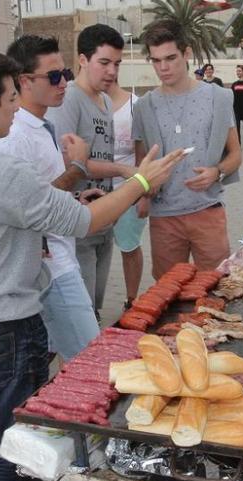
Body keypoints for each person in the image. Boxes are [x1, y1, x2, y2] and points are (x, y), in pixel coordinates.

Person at [0, 45, 184, 481]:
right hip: (3, 327)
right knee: (16, 444)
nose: (16, 108)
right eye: (9, 99)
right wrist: (140, 182)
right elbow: (88, 223)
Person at [0, 35, 99, 360]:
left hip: (57, 258)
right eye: (54, 76)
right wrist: (78, 167)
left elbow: (43, 192)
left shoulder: (41, 125)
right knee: (92, 363)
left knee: (49, 364)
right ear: (24, 81)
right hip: (51, 268)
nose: (64, 82)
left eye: (65, 72)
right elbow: (25, 207)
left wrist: (73, 199)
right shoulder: (15, 137)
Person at [133, 19, 242, 278]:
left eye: (170, 58)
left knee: (216, 289)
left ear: (187, 53)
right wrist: (146, 189)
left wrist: (216, 172)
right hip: (164, 218)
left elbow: (236, 154)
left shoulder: (218, 98)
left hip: (208, 212)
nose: (163, 67)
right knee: (168, 296)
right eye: (156, 60)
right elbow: (141, 166)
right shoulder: (144, 107)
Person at [46, 24, 135, 319]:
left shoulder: (106, 99)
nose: (112, 71)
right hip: (78, 220)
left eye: (117, 64)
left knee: (94, 304)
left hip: (104, 217)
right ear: (83, 60)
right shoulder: (68, 99)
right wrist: (125, 169)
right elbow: (73, 161)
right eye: (105, 62)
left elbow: (99, 153)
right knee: (80, 312)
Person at [107, 76, 147, 310]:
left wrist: (144, 195)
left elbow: (142, 155)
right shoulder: (85, 103)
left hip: (128, 191)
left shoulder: (135, 106)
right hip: (95, 192)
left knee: (129, 247)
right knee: (93, 254)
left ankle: (131, 300)